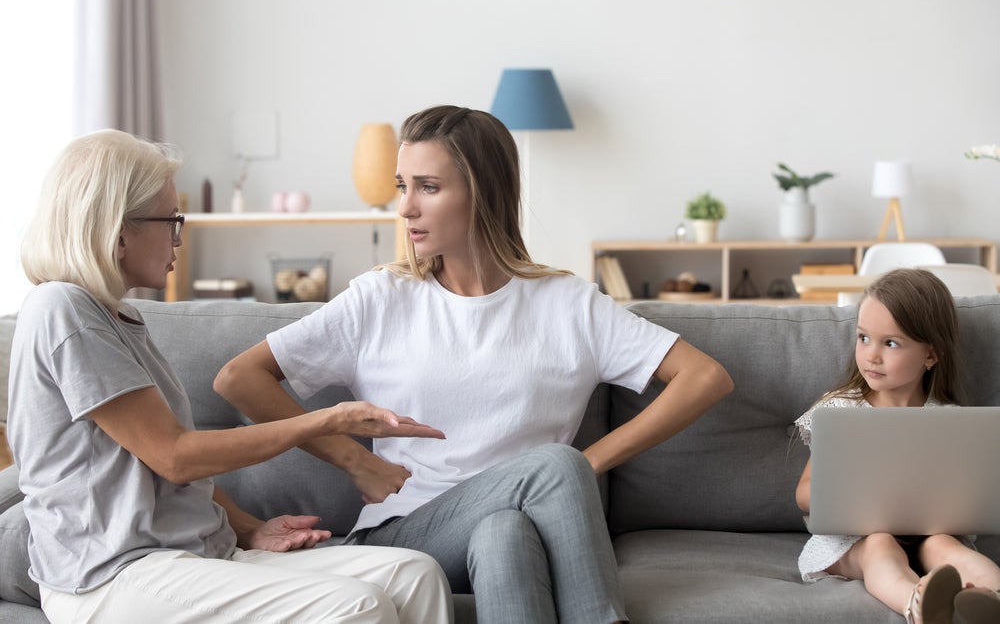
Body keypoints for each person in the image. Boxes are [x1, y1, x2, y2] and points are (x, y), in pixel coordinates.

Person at [214, 105, 734, 623]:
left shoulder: (569, 304)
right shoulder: (381, 298)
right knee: (552, 466)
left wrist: (583, 467)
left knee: (504, 529)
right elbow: (239, 378)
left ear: (482, 192)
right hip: (405, 535)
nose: (405, 208)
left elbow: (704, 377)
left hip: (519, 526)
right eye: (403, 186)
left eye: (428, 188)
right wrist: (355, 461)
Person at [8, 129, 453, 624]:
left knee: (415, 575)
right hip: (108, 575)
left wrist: (249, 529)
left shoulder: (121, 318)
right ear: (118, 229)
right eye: (170, 220)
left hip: (192, 558)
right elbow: (174, 457)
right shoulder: (61, 309)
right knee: (358, 606)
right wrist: (324, 420)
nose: (178, 235)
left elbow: (158, 472)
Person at [793, 268, 1000, 624]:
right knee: (880, 545)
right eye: (863, 338)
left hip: (930, 534)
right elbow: (804, 494)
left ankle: (989, 598)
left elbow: (970, 495)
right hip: (855, 540)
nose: (871, 355)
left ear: (931, 355)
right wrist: (857, 492)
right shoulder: (840, 410)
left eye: (890, 343)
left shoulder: (949, 420)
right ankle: (918, 606)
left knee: (944, 547)